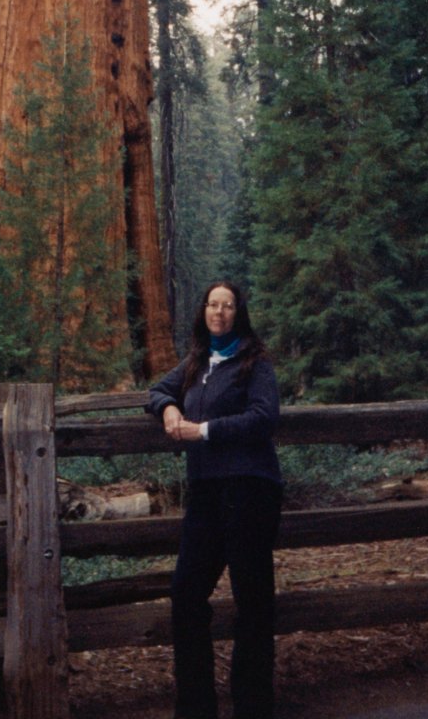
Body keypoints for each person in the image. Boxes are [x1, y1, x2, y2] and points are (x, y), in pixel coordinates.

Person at [148, 280, 282, 719]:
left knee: (253, 601)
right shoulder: (197, 360)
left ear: (238, 313)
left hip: (250, 490)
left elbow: (264, 417)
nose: (218, 312)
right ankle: (196, 708)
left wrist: (202, 431)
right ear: (203, 311)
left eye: (227, 306)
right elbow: (157, 390)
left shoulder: (255, 363)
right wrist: (169, 408)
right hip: (206, 492)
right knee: (186, 593)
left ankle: (253, 707)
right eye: (212, 304)